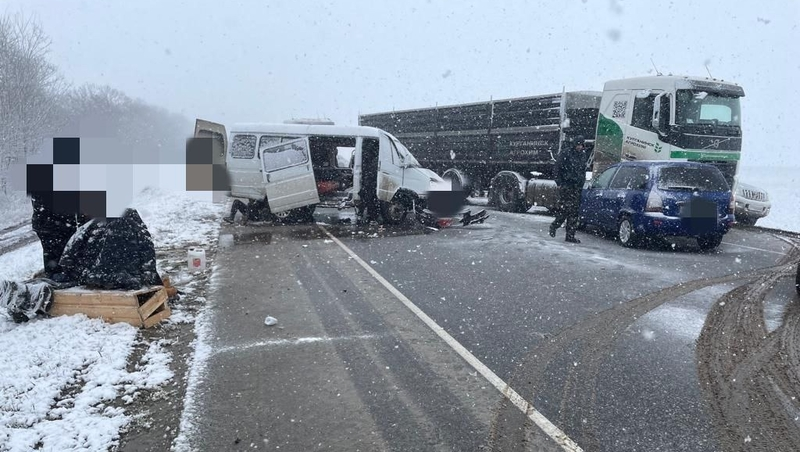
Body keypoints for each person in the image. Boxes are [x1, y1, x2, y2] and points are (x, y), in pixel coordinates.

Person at [31, 192, 88, 281]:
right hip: (56, 225)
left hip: (51, 223)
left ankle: (56, 275)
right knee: (59, 254)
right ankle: (58, 277)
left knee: (53, 255)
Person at [549, 136, 590, 243]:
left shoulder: (582, 155)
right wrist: (559, 183)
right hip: (566, 186)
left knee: (574, 212)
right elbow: (557, 168)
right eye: (578, 144)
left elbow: (582, 170)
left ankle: (570, 236)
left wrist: (582, 182)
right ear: (574, 144)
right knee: (565, 210)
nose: (580, 147)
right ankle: (554, 225)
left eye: (581, 145)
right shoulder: (566, 153)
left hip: (576, 187)